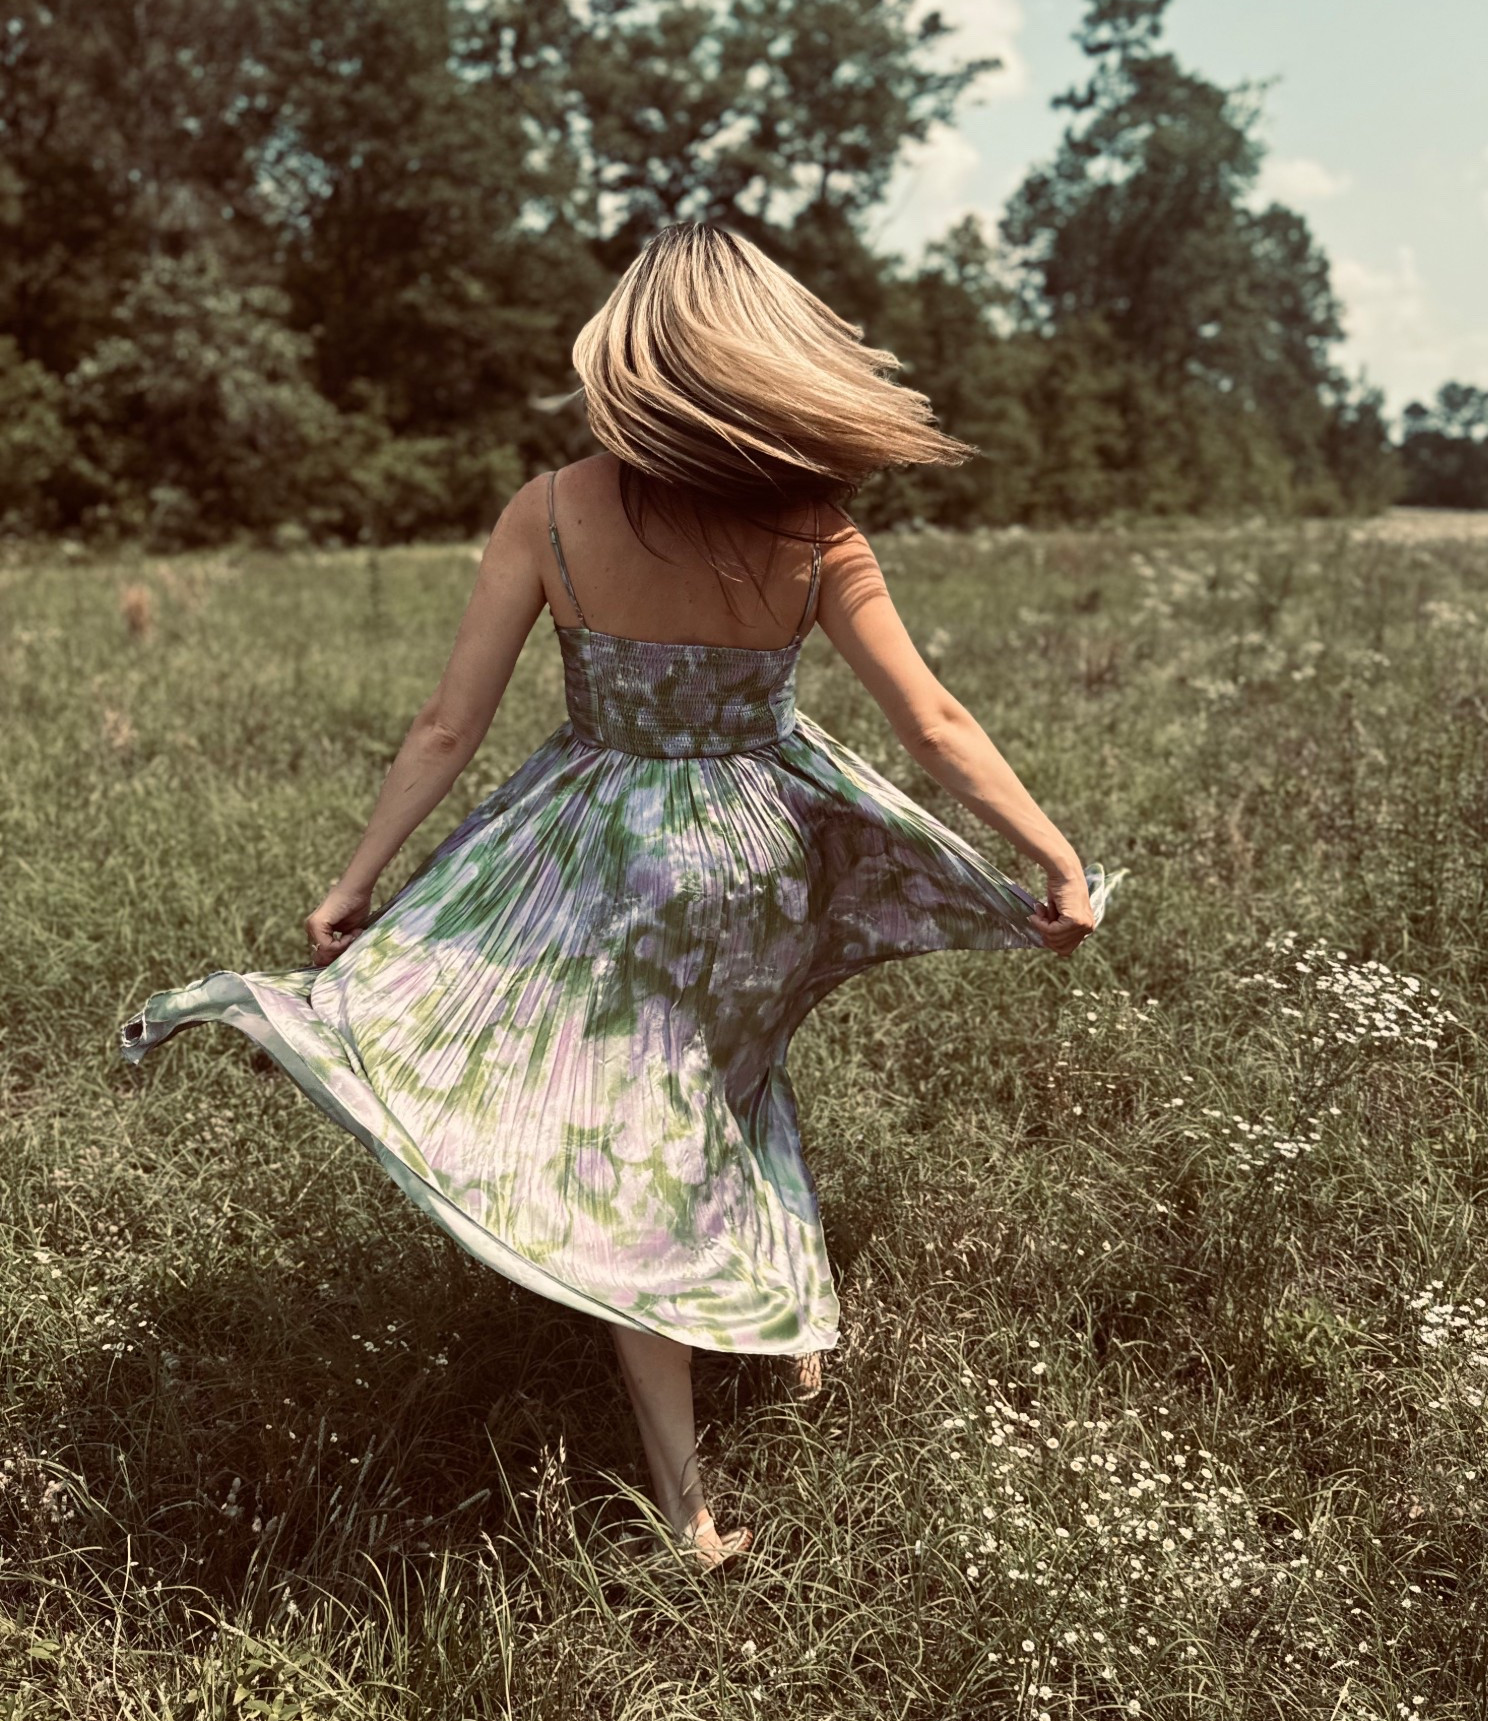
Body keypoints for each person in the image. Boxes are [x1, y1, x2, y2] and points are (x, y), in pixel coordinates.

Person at [120, 222, 1121, 1571]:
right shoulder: (815, 531)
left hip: (606, 853)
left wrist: (355, 884)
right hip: (761, 854)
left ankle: (685, 1507)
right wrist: (1056, 857)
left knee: (637, 1128)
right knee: (731, 1083)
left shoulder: (548, 511)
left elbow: (447, 726)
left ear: (637, 363)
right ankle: (788, 1332)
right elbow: (932, 722)